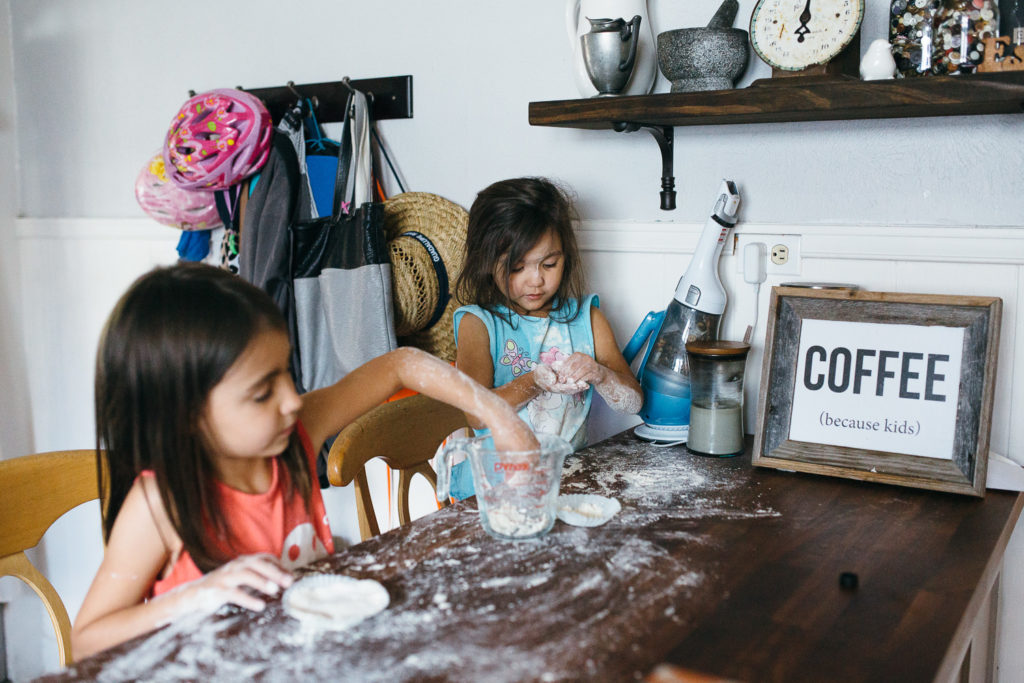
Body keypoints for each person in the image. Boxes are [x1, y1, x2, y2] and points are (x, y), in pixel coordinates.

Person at [71, 262, 536, 659]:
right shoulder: (162, 503)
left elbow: (400, 363)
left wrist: (495, 412)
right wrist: (196, 596)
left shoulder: (296, 437)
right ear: (187, 415)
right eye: (262, 392)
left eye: (286, 374)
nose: (292, 400)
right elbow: (86, 640)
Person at [450, 177, 642, 499]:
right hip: (492, 493)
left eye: (549, 264)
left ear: (565, 256)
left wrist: (600, 373)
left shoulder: (587, 319)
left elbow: (634, 401)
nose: (536, 280)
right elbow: (475, 411)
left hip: (561, 484)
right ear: (487, 263)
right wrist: (534, 381)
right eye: (517, 267)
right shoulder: (479, 324)